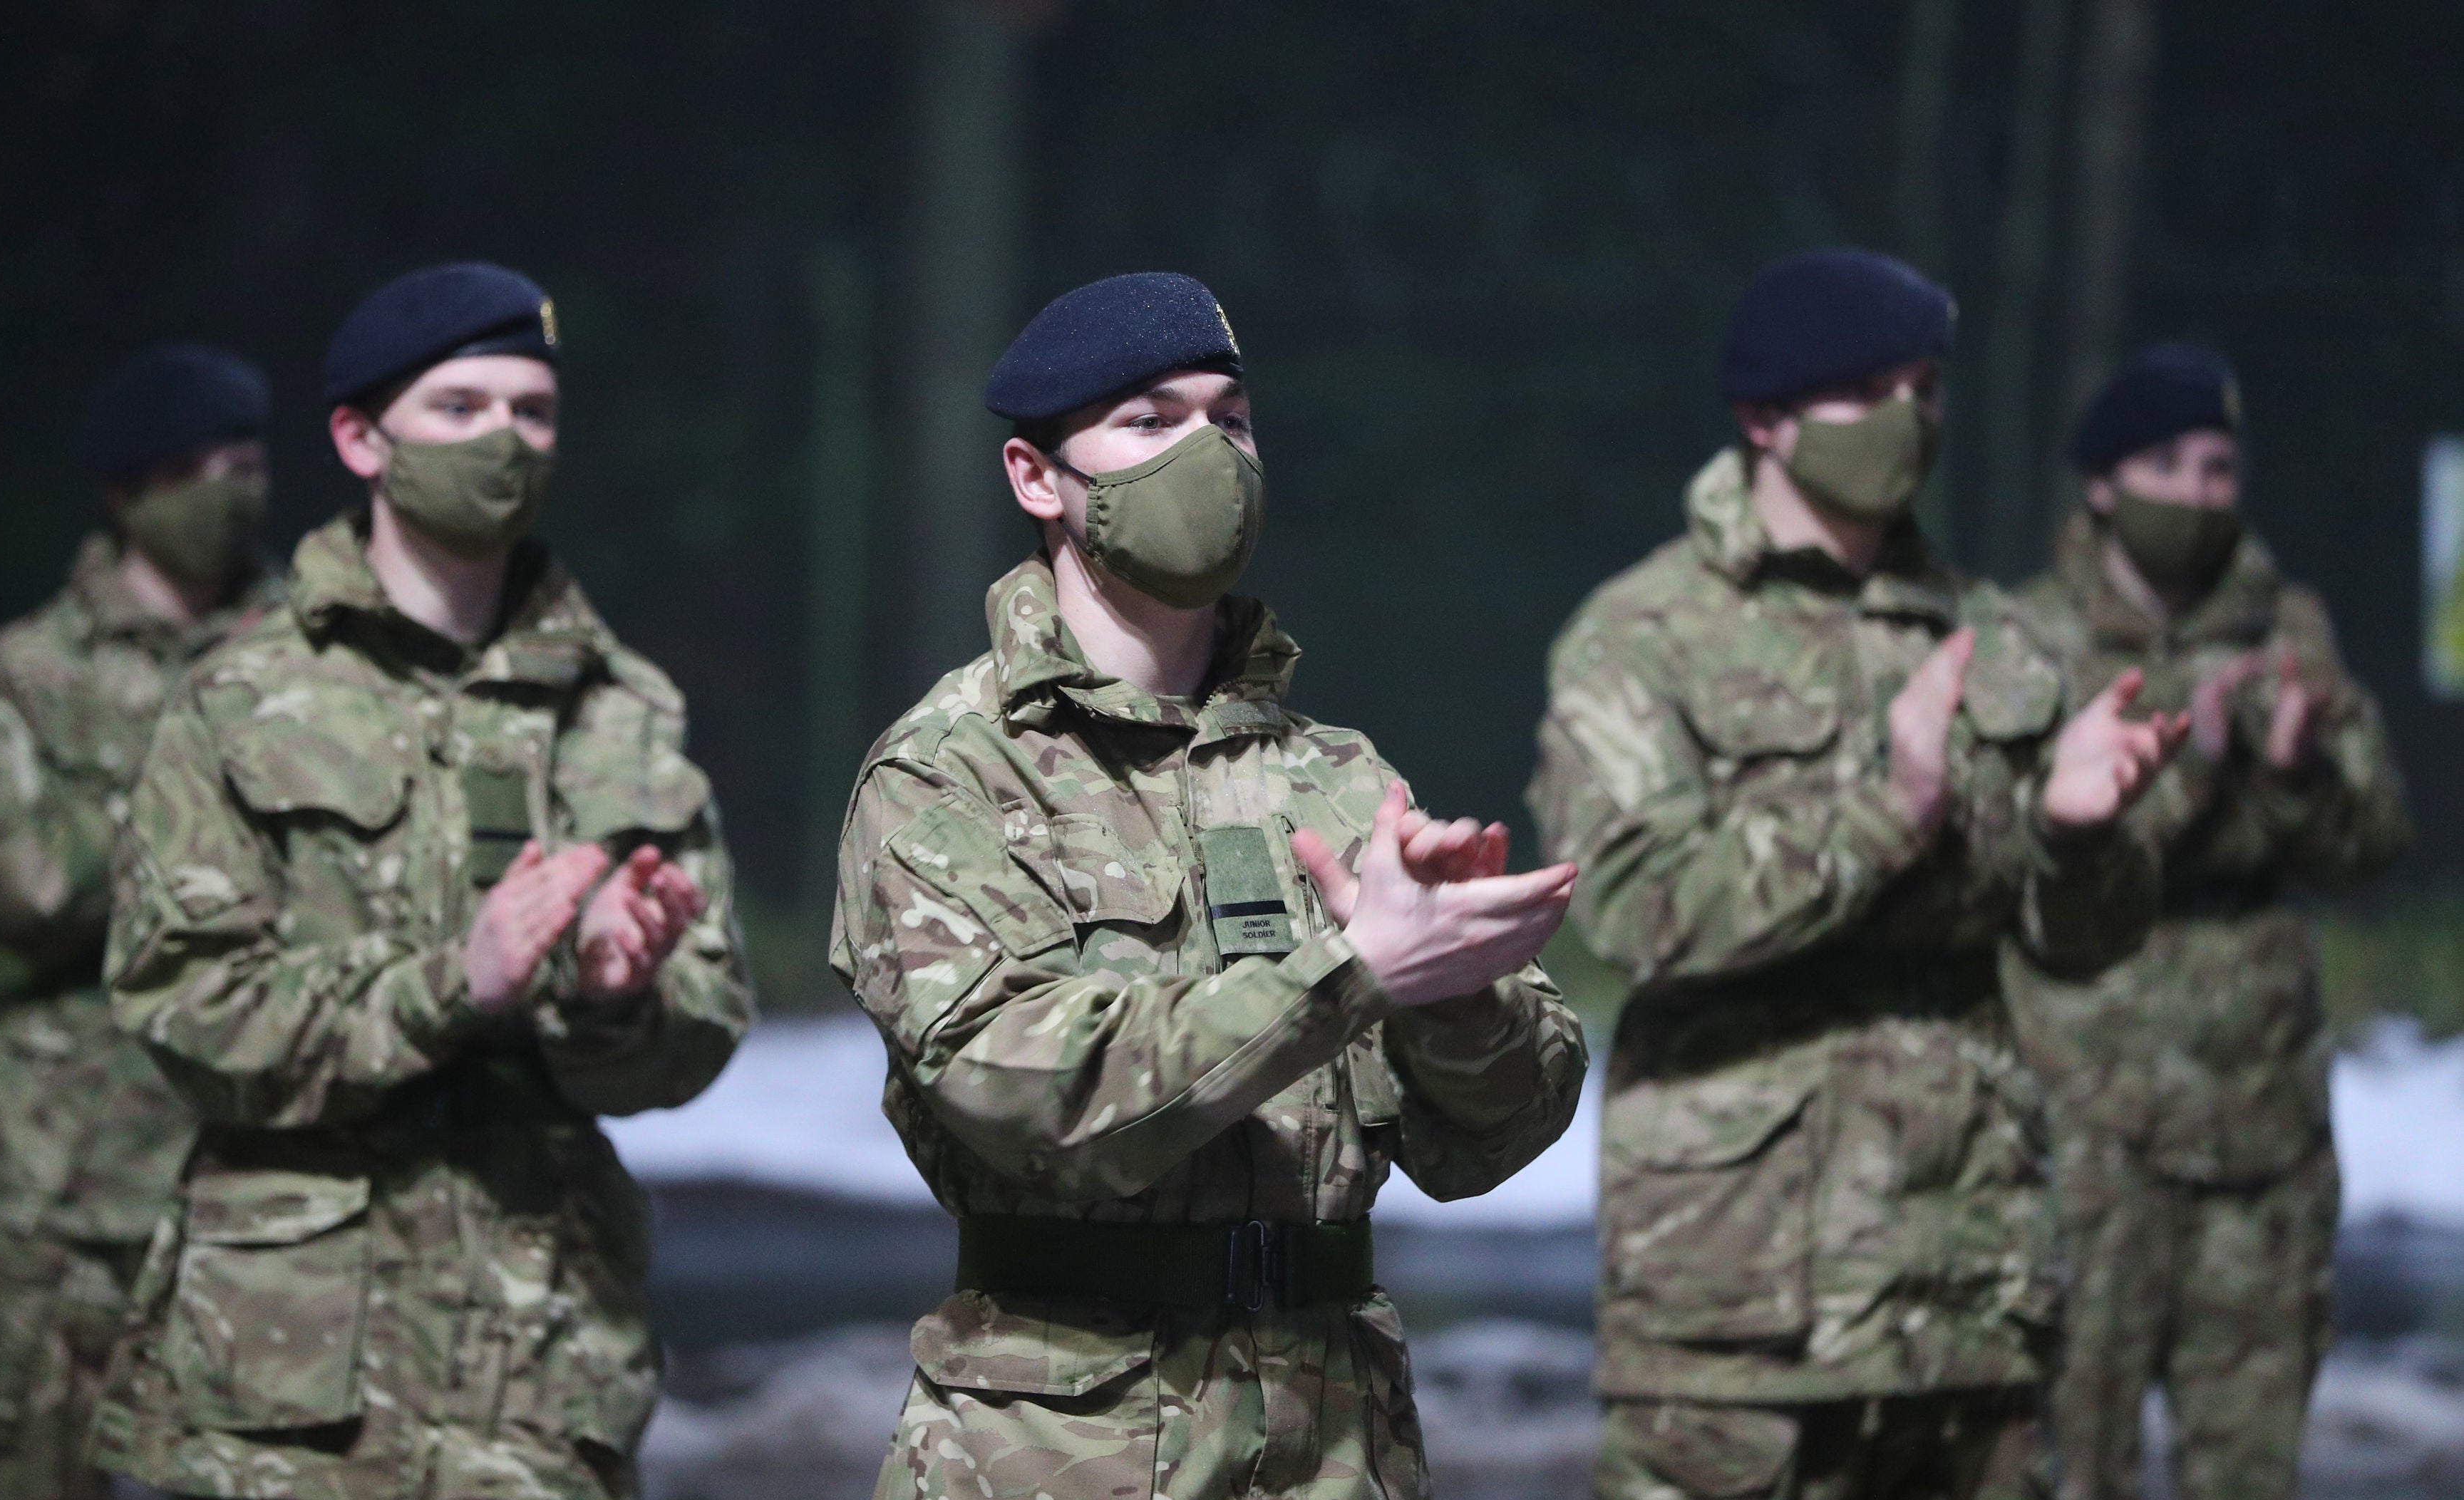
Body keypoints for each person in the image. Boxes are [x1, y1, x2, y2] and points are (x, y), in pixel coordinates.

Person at [832, 271, 1588, 1500]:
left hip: (1337, 1446)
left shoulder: (1339, 778)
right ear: (1038, 478)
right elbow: (1020, 1090)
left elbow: (1493, 1139)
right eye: (1149, 420)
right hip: (1059, 1448)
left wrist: (1456, 995)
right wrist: (1349, 974)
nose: (1207, 454)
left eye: (1228, 420)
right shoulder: (950, 772)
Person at [1528, 248, 2185, 1500]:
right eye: (1868, 389)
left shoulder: (1995, 632)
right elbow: (1636, 906)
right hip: (1743, 1316)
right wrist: (1890, 812)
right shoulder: (1644, 635)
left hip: (1971, 1296)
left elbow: (2080, 942)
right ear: (1764, 417)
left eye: (1927, 387)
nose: (1909, 418)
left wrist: (2079, 830)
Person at [87, 262, 752, 1499]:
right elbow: (183, 1011)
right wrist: (452, 984)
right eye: (459, 406)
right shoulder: (243, 698)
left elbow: (699, 1037)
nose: (504, 437)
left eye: (532, 410)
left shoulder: (624, 711)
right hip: (289, 1389)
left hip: (540, 1373)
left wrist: (615, 999)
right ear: (359, 436)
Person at [2006, 343, 2409, 1500]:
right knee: (2068, 1462)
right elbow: (2029, 861)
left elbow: (2371, 842)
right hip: (2087, 1134)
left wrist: (2291, 773)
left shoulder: (2288, 628)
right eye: (2169, 464)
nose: (2199, 492)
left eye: (2221, 466)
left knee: (2251, 1464)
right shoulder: (2032, 640)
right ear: (2101, 482)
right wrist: (2197, 767)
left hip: (2258, 1136)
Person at [0, 344, 282, 1500]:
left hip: (270, 1165)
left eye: (244, 460)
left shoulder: (313, 649)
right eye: (189, 468)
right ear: (124, 491)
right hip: (67, 1178)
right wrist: (200, 796)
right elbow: (24, 891)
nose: (226, 489)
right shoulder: (34, 672)